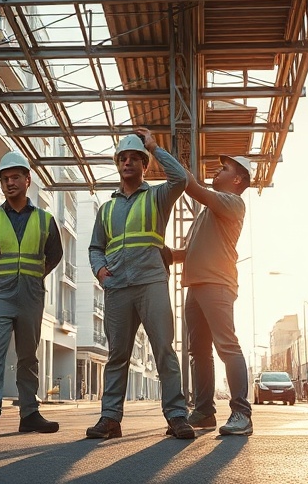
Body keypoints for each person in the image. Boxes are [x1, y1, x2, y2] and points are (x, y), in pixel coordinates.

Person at [86, 128, 195, 440]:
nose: (128, 162)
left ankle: (176, 416)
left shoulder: (158, 196)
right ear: (118, 164)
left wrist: (155, 147)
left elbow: (181, 180)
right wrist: (100, 271)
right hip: (117, 287)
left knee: (164, 350)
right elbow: (96, 247)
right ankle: (110, 419)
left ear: (145, 165)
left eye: (135, 158)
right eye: (123, 158)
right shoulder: (106, 208)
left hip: (151, 282)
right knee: (117, 355)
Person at [0, 151, 63, 437]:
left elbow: (55, 255)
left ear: (27, 180)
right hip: (0, 293)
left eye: (15, 177)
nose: (9, 183)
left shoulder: (46, 220)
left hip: (31, 294)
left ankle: (29, 413)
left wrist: (32, 277)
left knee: (28, 356)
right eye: (5, 179)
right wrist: (2, 279)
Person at [171, 155, 254, 436]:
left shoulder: (232, 203)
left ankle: (242, 413)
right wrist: (158, 251)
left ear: (238, 179)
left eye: (225, 168)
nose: (218, 170)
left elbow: (194, 188)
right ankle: (204, 411)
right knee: (199, 352)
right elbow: (184, 254)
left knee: (227, 346)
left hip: (217, 284)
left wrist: (173, 163)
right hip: (195, 287)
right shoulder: (204, 215)